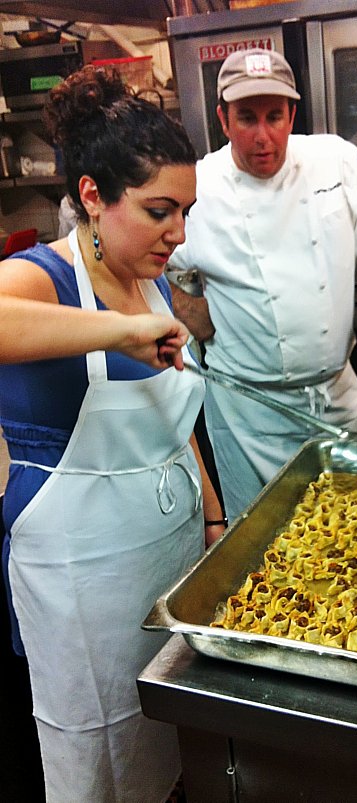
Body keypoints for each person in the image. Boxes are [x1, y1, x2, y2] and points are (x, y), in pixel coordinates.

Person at [0, 65, 226, 803]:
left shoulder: (152, 275)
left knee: (165, 734)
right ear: (93, 195)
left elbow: (175, 413)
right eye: (161, 210)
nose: (179, 233)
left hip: (164, 563)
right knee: (100, 756)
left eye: (185, 212)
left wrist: (215, 516)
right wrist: (121, 329)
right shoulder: (46, 279)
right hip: (82, 587)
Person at [168, 47, 357, 523]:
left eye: (275, 116)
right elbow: (148, 263)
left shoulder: (337, 161)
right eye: (247, 118)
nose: (263, 136)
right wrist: (186, 306)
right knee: (263, 543)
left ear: (293, 114)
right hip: (250, 414)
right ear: (223, 119)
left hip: (336, 399)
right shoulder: (198, 187)